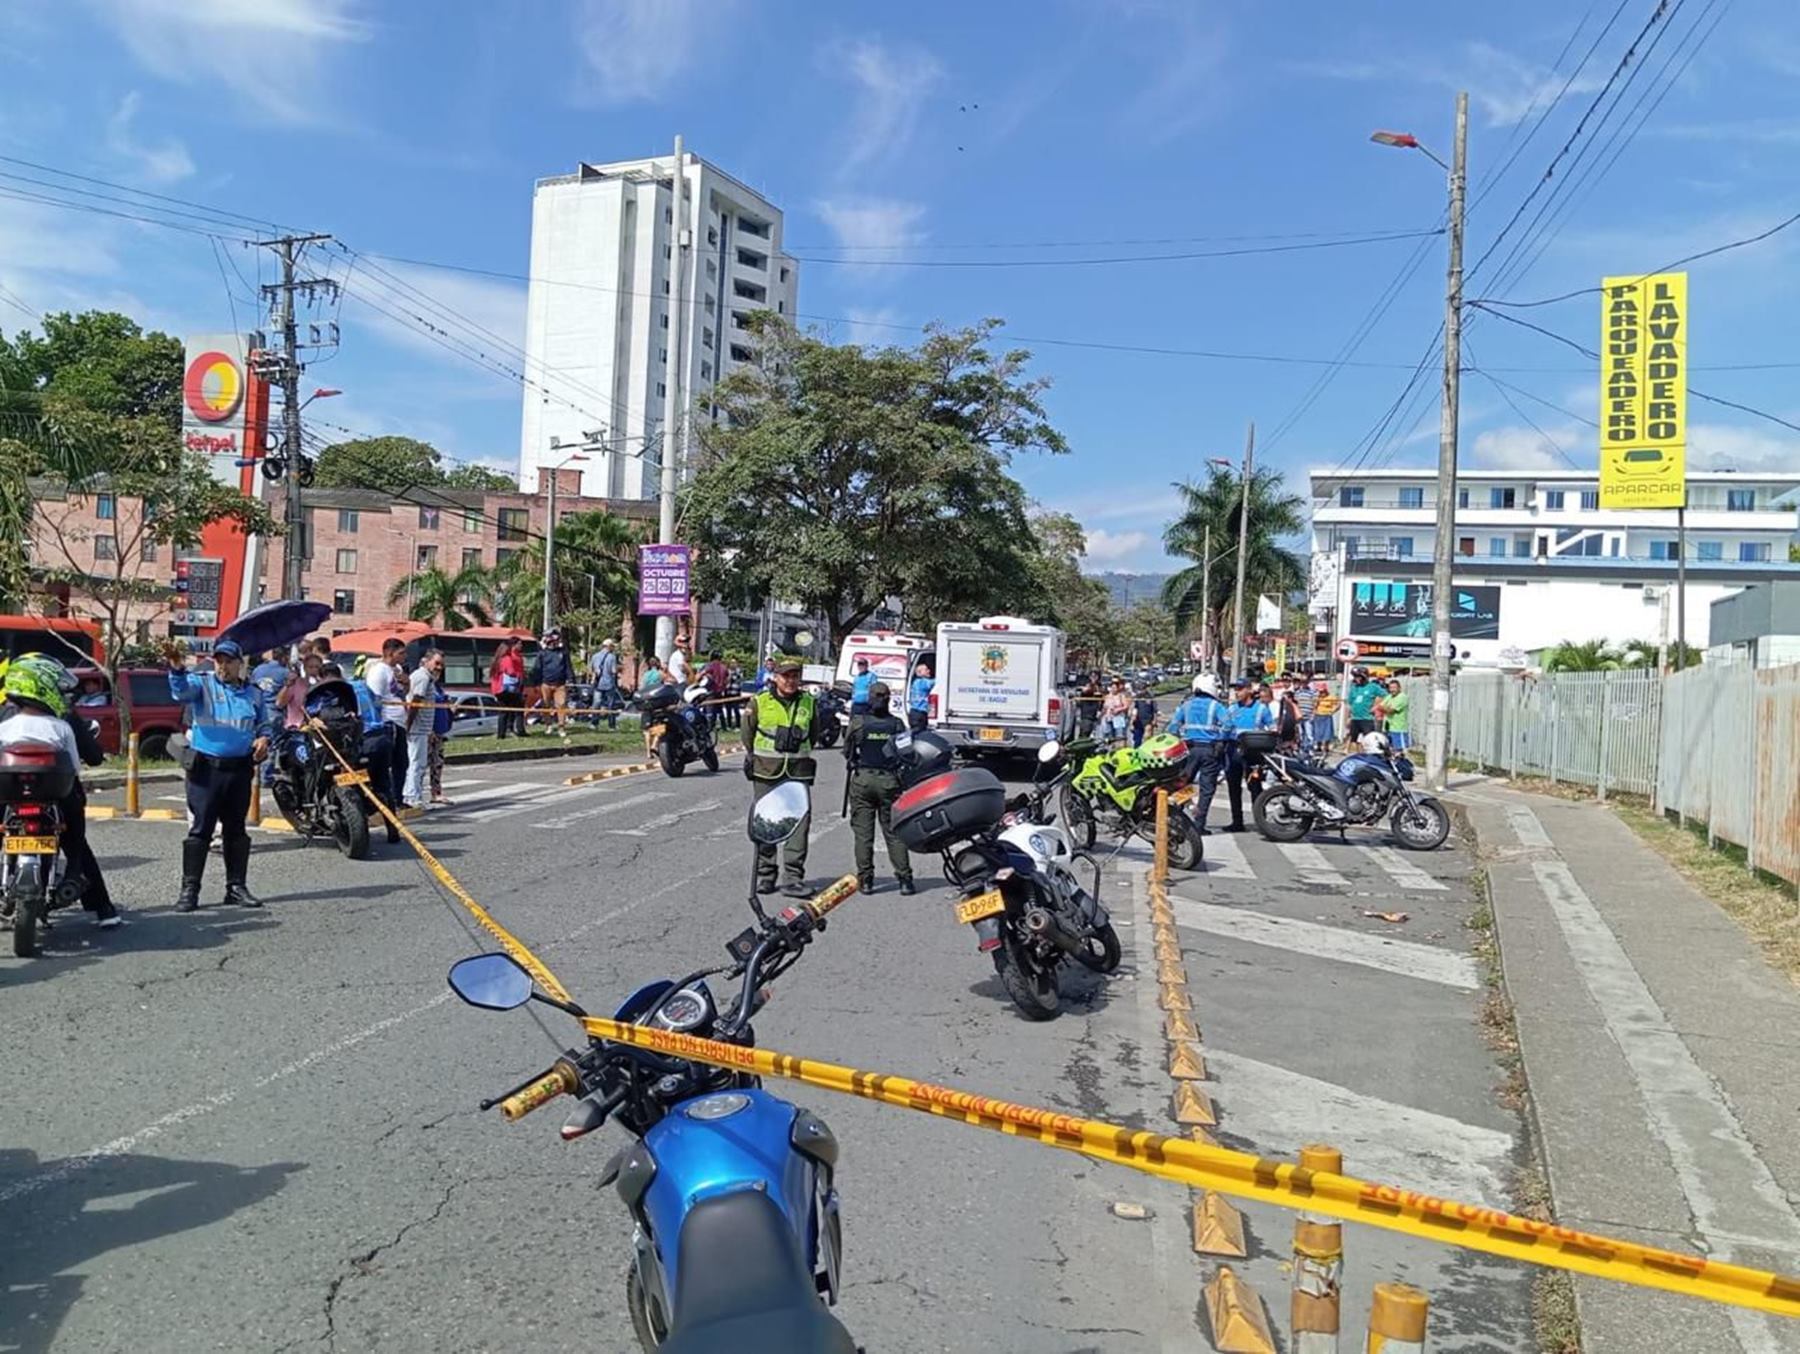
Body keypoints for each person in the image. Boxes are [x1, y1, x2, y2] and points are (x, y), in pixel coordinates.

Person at [0, 655, 117, 928]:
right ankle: (103, 910)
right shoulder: (63, 720)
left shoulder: (4, 719)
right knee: (76, 842)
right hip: (57, 797)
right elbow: (79, 764)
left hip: (8, 797)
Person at [165, 638, 272, 911]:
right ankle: (190, 890)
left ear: (240, 664)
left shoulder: (254, 693)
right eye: (219, 660)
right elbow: (180, 692)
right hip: (206, 771)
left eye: (228, 661)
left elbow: (265, 724)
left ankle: (236, 888)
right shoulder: (203, 684)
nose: (223, 666)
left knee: (236, 830)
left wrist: (263, 739)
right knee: (200, 830)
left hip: (239, 770)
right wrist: (177, 668)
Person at [742, 654, 828, 897]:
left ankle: (793, 878)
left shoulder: (809, 703)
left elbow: (814, 734)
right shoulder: (760, 701)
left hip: (797, 772)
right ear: (776, 677)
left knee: (799, 825)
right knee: (766, 823)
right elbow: (747, 734)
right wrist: (754, 756)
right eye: (786, 676)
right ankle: (766, 875)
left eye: (795, 676)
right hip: (766, 771)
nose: (791, 681)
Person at [844, 681, 915, 895]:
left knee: (863, 834)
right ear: (888, 699)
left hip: (863, 779)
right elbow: (908, 754)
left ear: (870, 698)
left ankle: (866, 880)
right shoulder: (897, 725)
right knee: (894, 833)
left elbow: (848, 750)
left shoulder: (858, 723)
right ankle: (905, 880)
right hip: (889, 782)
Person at [346, 658, 402, 844]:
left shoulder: (342, 691)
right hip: (382, 736)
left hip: (365, 740)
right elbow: (378, 705)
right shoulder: (363, 686)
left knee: (356, 783)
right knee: (383, 784)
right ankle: (392, 830)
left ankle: (359, 827)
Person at [1168, 673, 1231, 833]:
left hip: (1189, 750)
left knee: (1182, 784)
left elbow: (1173, 726)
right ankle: (1199, 824)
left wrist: (1176, 741)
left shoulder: (1186, 705)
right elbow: (1228, 725)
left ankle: (1176, 818)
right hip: (1210, 750)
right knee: (1207, 789)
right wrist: (1220, 740)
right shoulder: (1216, 706)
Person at [366, 637, 411, 809]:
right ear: (389, 653)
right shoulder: (379, 671)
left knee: (402, 762)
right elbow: (375, 698)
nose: (404, 656)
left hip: (400, 720)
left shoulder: (397, 669)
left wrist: (407, 683)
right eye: (400, 653)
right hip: (387, 721)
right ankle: (387, 799)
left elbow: (401, 692)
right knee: (389, 763)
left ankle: (398, 798)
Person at [402, 648, 442, 809]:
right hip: (416, 729)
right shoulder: (422, 677)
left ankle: (413, 795)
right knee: (416, 764)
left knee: (419, 763)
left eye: (441, 665)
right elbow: (415, 702)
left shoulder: (427, 678)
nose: (439, 667)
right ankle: (412, 797)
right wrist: (409, 725)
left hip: (422, 729)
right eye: (436, 663)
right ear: (426, 661)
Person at [537, 629, 573, 739]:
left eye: (556, 639)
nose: (555, 642)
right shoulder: (542, 653)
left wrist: (570, 679)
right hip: (545, 683)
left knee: (561, 705)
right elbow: (538, 668)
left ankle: (561, 727)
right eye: (552, 639)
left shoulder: (563, 652)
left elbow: (568, 667)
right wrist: (536, 682)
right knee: (546, 705)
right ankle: (548, 726)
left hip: (560, 684)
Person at [490, 637, 526, 738]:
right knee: (515, 709)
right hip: (507, 689)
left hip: (498, 689)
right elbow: (510, 672)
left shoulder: (496, 660)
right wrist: (519, 675)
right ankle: (515, 730)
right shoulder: (507, 659)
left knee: (503, 711)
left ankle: (501, 733)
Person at [590, 638, 622, 729]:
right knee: (610, 704)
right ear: (609, 647)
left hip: (598, 683)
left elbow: (592, 669)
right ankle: (611, 725)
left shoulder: (595, 656)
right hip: (609, 683)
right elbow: (613, 671)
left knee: (596, 703)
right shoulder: (612, 657)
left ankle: (594, 723)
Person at [1376, 678, 1411, 753]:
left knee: (1398, 751)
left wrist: (1385, 708)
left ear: (1399, 688)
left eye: (1394, 688)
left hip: (1398, 728)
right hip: (1387, 728)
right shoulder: (1389, 696)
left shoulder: (1402, 697)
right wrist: (1385, 708)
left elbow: (1391, 711)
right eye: (1391, 688)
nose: (1392, 690)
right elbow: (1379, 707)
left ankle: (1400, 764)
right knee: (1387, 750)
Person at [1347, 668, 1382, 740]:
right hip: (1355, 719)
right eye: (1355, 677)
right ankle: (1357, 751)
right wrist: (1348, 717)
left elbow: (1386, 696)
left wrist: (1376, 707)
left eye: (1358, 677)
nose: (1356, 679)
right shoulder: (1354, 688)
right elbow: (1350, 704)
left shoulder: (1373, 687)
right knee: (1353, 740)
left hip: (1367, 719)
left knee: (1369, 739)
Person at [701, 650, 732, 727]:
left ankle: (709, 726)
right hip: (720, 691)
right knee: (719, 710)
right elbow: (728, 677)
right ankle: (723, 726)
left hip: (710, 691)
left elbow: (702, 673)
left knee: (709, 710)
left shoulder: (710, 665)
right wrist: (724, 685)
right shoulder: (724, 667)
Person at [1100, 678, 1132, 746]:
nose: (1113, 689)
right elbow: (1104, 707)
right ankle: (1111, 749)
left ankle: (1119, 749)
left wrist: (1118, 709)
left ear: (1118, 688)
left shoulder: (1121, 696)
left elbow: (1126, 706)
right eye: (1112, 687)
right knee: (1109, 736)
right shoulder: (1107, 696)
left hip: (1118, 718)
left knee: (1119, 736)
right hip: (1108, 718)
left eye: (1115, 687)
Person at [906, 661, 934, 734]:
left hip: (914, 713)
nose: (929, 671)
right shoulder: (923, 682)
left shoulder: (916, 682)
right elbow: (938, 681)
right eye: (926, 669)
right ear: (920, 672)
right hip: (919, 714)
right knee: (920, 735)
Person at [1131, 682, 1158, 748]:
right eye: (1140, 689)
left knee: (1147, 738)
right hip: (1138, 721)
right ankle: (1136, 750)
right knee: (1137, 739)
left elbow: (1155, 710)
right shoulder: (1137, 697)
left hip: (1148, 720)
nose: (1141, 690)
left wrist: (1155, 719)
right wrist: (1132, 720)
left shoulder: (1150, 697)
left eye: (1142, 689)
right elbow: (1135, 708)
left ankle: (1147, 750)